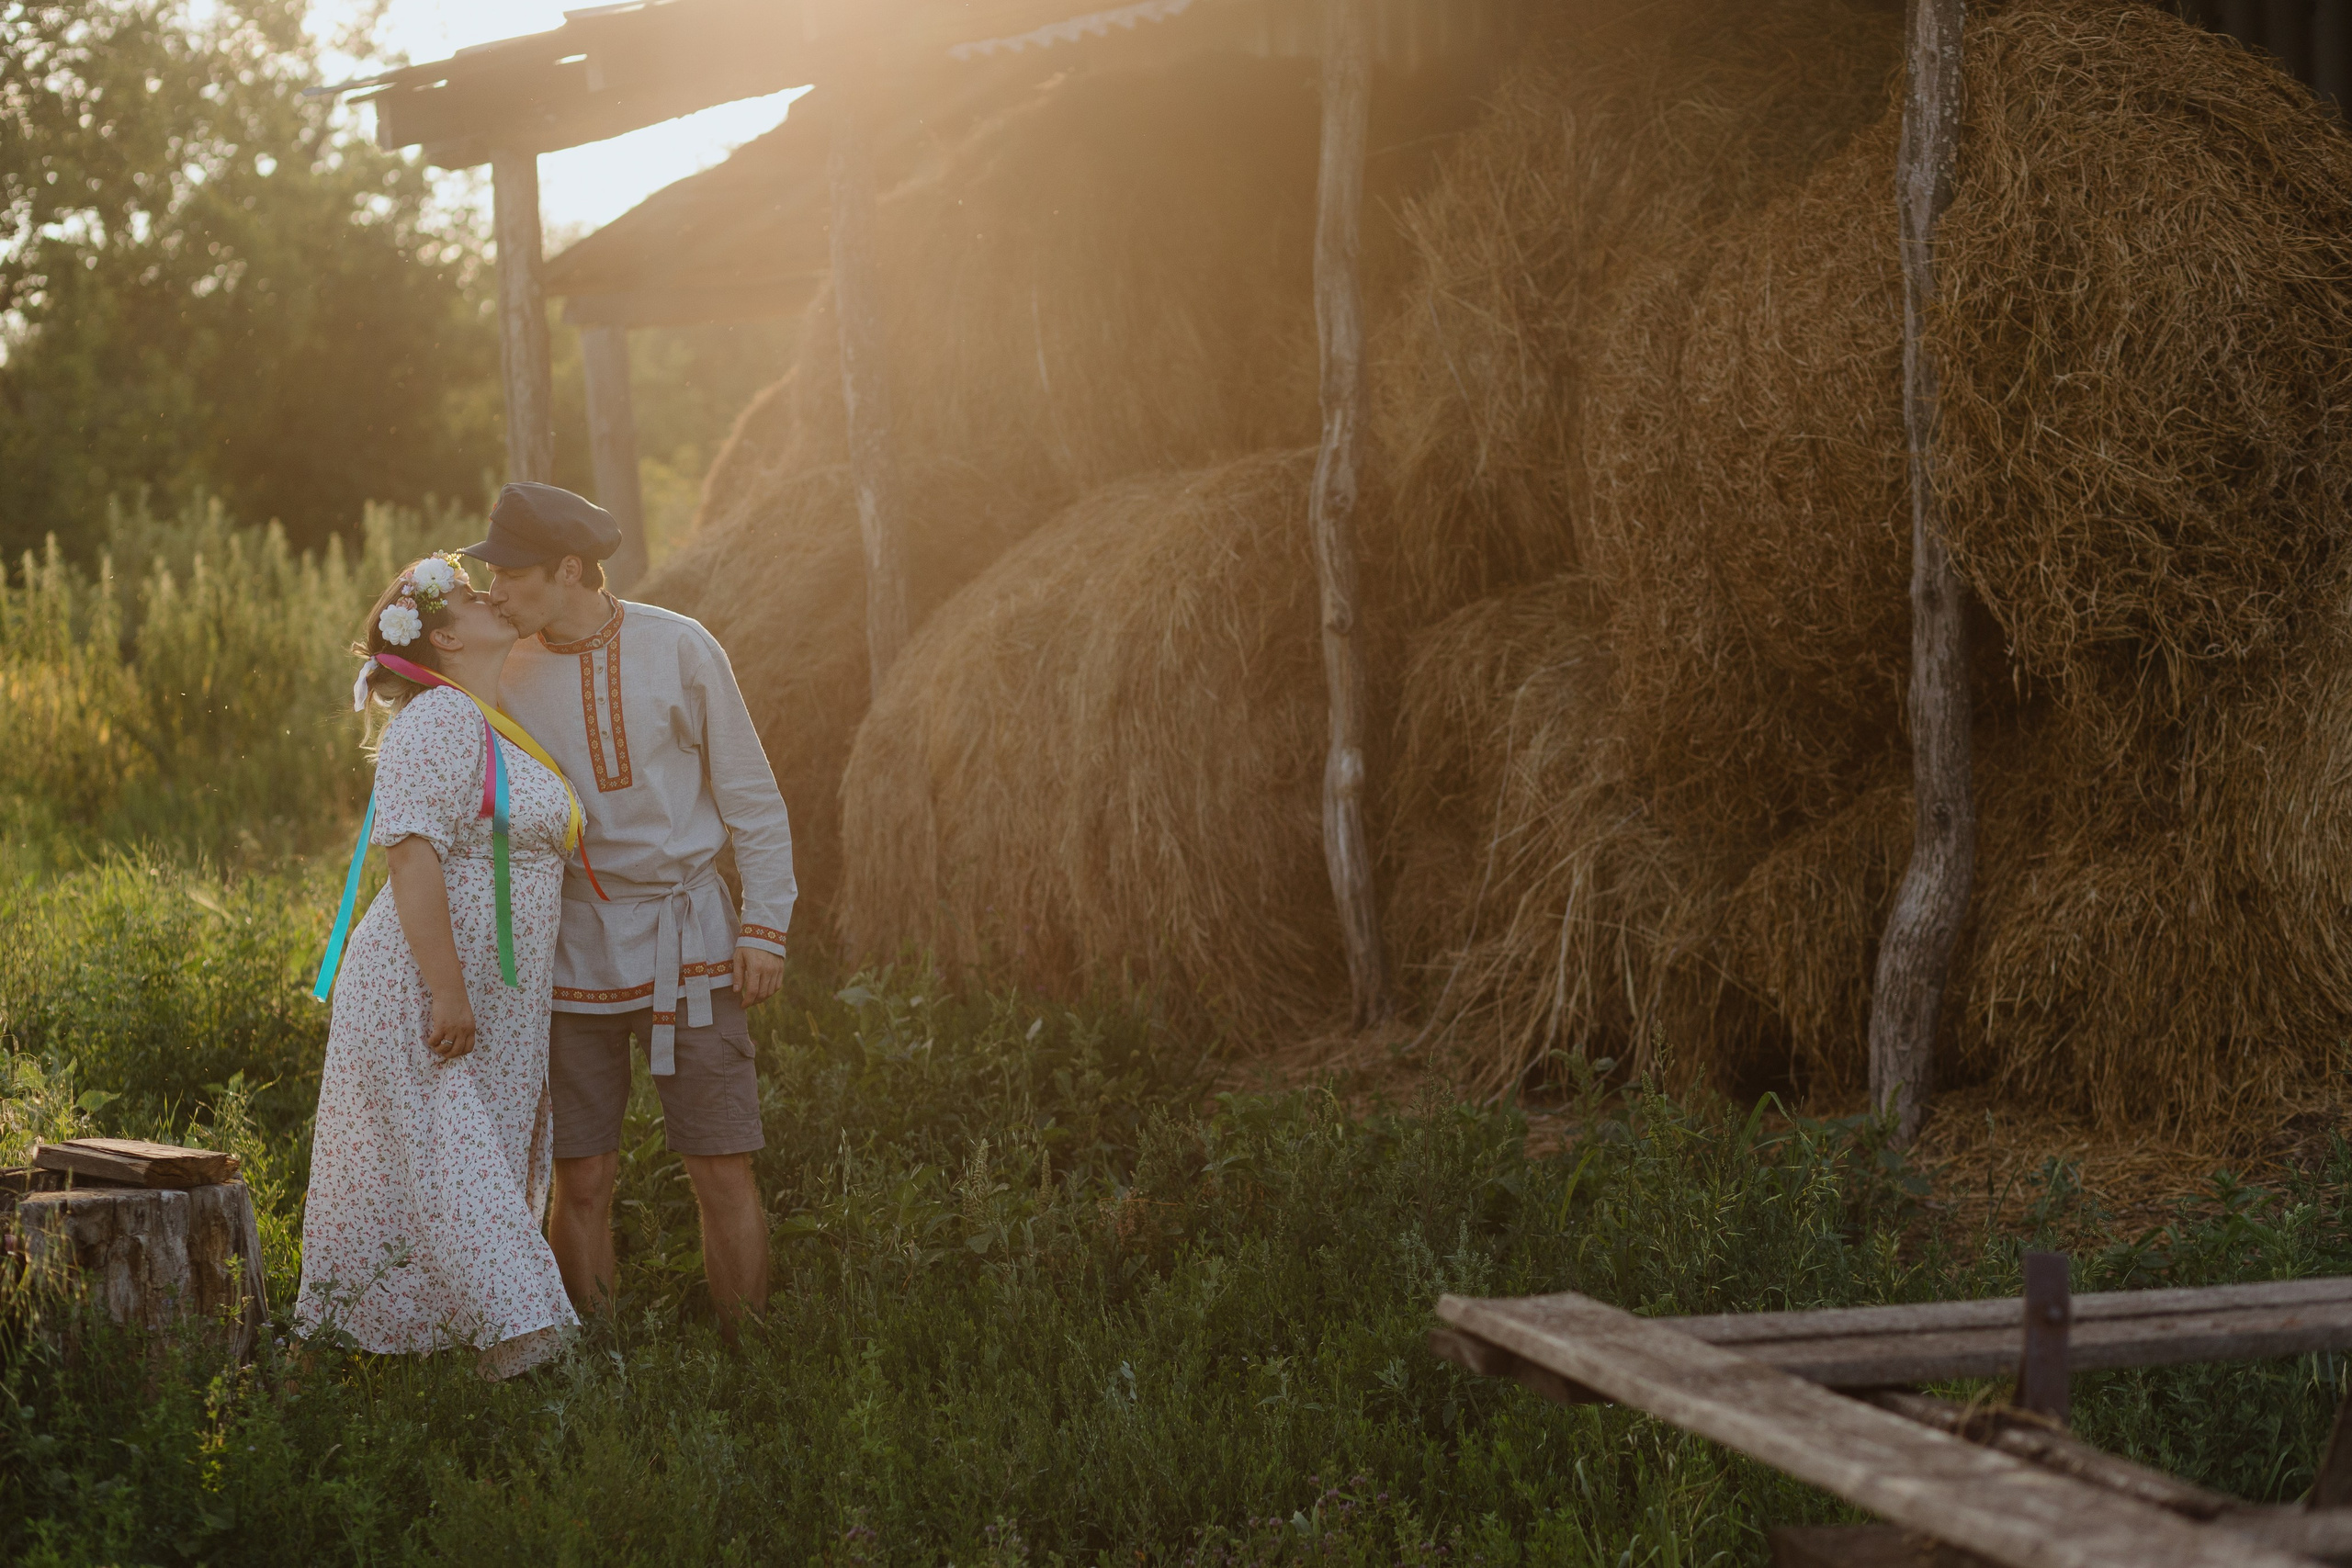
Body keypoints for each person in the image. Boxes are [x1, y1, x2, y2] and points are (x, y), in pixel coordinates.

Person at [466, 482, 797, 1341]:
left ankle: (752, 1361)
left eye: (511, 570)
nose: (494, 586)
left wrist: (766, 926)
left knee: (721, 1165)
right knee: (581, 1176)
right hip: (568, 948)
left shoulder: (680, 647)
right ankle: (593, 1368)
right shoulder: (501, 668)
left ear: (569, 568)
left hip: (691, 941)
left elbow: (752, 795)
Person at [298, 556, 582, 1380]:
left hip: (493, 997)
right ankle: (539, 1369)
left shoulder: (490, 721)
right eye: (466, 594)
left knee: (455, 1176)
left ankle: (414, 1376)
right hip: (421, 988)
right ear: (447, 636)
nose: (490, 593)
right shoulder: (441, 718)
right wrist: (449, 990)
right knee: (463, 1181)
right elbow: (411, 854)